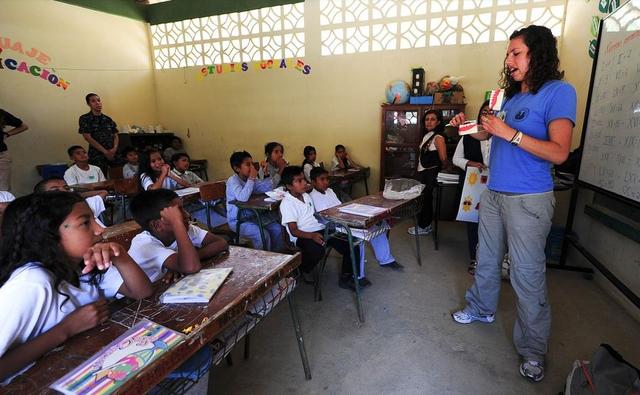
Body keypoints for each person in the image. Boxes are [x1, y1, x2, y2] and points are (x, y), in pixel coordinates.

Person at [450, 25, 576, 383]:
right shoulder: (508, 97)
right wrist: (465, 127)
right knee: (486, 260)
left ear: (538, 54)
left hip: (529, 200)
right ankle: (481, 308)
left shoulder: (559, 92)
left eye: (516, 53)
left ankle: (533, 349)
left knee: (526, 274)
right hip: (495, 193)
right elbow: (485, 133)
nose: (509, 60)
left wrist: (513, 134)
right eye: (509, 54)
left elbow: (560, 151)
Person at [0, 192, 152, 383]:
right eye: (85, 223)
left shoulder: (82, 265)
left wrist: (120, 256)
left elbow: (142, 293)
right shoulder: (32, 282)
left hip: (81, 372)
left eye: (94, 219)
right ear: (48, 233)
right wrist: (66, 329)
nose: (99, 230)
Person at [310, 167, 402, 283]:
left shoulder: (330, 191)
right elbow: (325, 216)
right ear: (313, 182)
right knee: (358, 238)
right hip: (333, 226)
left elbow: (340, 206)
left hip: (344, 219)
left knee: (377, 226)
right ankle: (358, 276)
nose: (326, 182)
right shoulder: (312, 197)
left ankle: (386, 259)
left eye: (327, 179)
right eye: (322, 179)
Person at [279, 166, 362, 290]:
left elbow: (313, 216)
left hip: (319, 229)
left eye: (303, 179)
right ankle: (299, 270)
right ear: (289, 186)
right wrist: (312, 235)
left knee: (352, 242)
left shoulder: (306, 196)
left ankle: (346, 276)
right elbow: (293, 231)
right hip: (303, 234)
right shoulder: (287, 204)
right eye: (299, 181)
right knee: (317, 251)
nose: (303, 183)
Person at [128, 189, 228, 282]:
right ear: (157, 225)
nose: (187, 215)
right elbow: (192, 267)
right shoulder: (144, 245)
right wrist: (177, 222)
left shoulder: (185, 228)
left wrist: (181, 262)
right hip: (134, 299)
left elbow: (221, 243)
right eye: (178, 212)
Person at [452, 100, 493, 275]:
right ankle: (475, 259)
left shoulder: (502, 135)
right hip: (474, 184)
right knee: (474, 222)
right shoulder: (469, 134)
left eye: (492, 112)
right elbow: (456, 159)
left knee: (493, 224)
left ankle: (493, 261)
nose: (487, 115)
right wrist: (471, 163)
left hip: (496, 184)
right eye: (484, 111)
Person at [226, 151, 283, 252]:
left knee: (277, 228)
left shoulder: (250, 179)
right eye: (248, 164)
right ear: (237, 168)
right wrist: (252, 178)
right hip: (238, 220)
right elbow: (242, 197)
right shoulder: (233, 181)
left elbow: (268, 187)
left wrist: (265, 174)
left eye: (252, 164)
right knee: (262, 235)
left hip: (253, 216)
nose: (252, 167)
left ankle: (277, 256)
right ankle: (263, 262)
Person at [407, 109, 448, 236]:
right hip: (423, 172)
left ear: (438, 122)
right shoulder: (427, 135)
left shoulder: (438, 137)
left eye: (433, 119)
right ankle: (425, 225)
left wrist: (446, 169)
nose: (429, 122)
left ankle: (424, 226)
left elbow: (444, 158)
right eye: (427, 119)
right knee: (423, 199)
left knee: (426, 200)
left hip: (430, 173)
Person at [34, 177, 109, 227]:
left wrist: (78, 196)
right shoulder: (49, 221)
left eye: (66, 188)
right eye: (55, 190)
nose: (64, 191)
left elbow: (103, 192)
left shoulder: (84, 205)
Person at [78, 93, 119, 175]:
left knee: (117, 177)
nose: (97, 103)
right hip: (97, 155)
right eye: (93, 101)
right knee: (99, 179)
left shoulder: (107, 119)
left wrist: (114, 149)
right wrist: (105, 152)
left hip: (112, 153)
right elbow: (87, 137)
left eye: (98, 100)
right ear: (88, 104)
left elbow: (116, 135)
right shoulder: (85, 118)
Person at [0, 109, 28, 191]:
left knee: (2, 190)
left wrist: (7, 134)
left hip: (1, 157)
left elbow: (23, 126)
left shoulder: (1, 113)